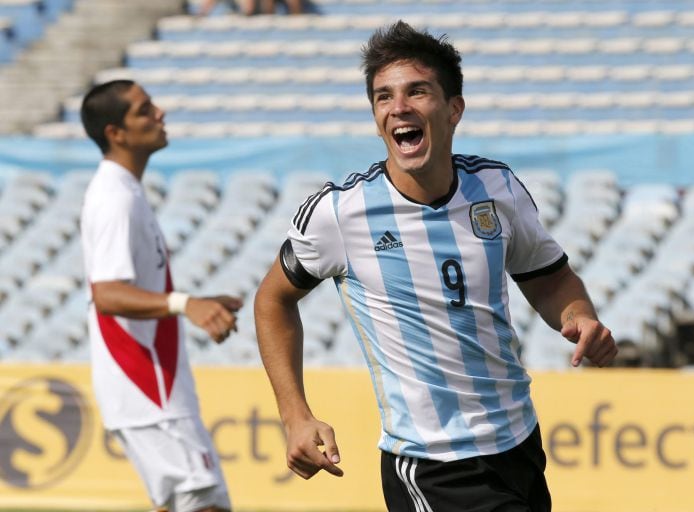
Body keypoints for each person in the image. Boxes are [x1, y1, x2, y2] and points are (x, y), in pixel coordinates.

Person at [254, 21, 617, 512]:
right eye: (383, 97)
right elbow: (273, 299)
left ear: (453, 109)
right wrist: (294, 415)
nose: (398, 107)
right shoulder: (339, 214)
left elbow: (550, 277)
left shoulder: (496, 189)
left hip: (518, 443)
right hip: (432, 464)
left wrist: (577, 316)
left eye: (417, 92)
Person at [80, 79, 242, 512]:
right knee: (205, 503)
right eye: (144, 109)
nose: (160, 114)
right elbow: (108, 294)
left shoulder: (126, 190)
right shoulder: (114, 197)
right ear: (117, 133)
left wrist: (199, 300)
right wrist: (185, 303)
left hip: (151, 387)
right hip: (144, 384)